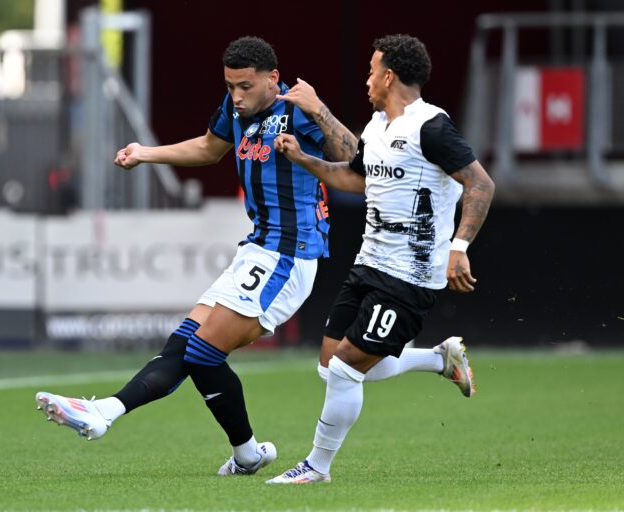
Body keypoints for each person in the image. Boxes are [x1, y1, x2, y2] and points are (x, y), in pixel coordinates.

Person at [35, 36, 357, 476]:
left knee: (203, 352)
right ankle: (239, 452)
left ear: (273, 79)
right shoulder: (237, 111)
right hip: (256, 250)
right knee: (184, 344)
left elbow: (353, 159)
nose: (237, 97)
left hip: (289, 256)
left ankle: (110, 412)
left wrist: (320, 109)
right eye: (229, 86)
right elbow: (209, 148)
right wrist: (145, 153)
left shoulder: (298, 110)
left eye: (245, 86)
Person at [265, 34, 495, 484]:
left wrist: (459, 248)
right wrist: (303, 158)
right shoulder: (376, 127)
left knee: (348, 367)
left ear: (389, 76)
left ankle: (316, 467)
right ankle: (437, 360)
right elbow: (355, 180)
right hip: (369, 262)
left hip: (410, 274)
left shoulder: (431, 126)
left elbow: (480, 184)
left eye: (372, 70)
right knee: (330, 367)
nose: (367, 79)